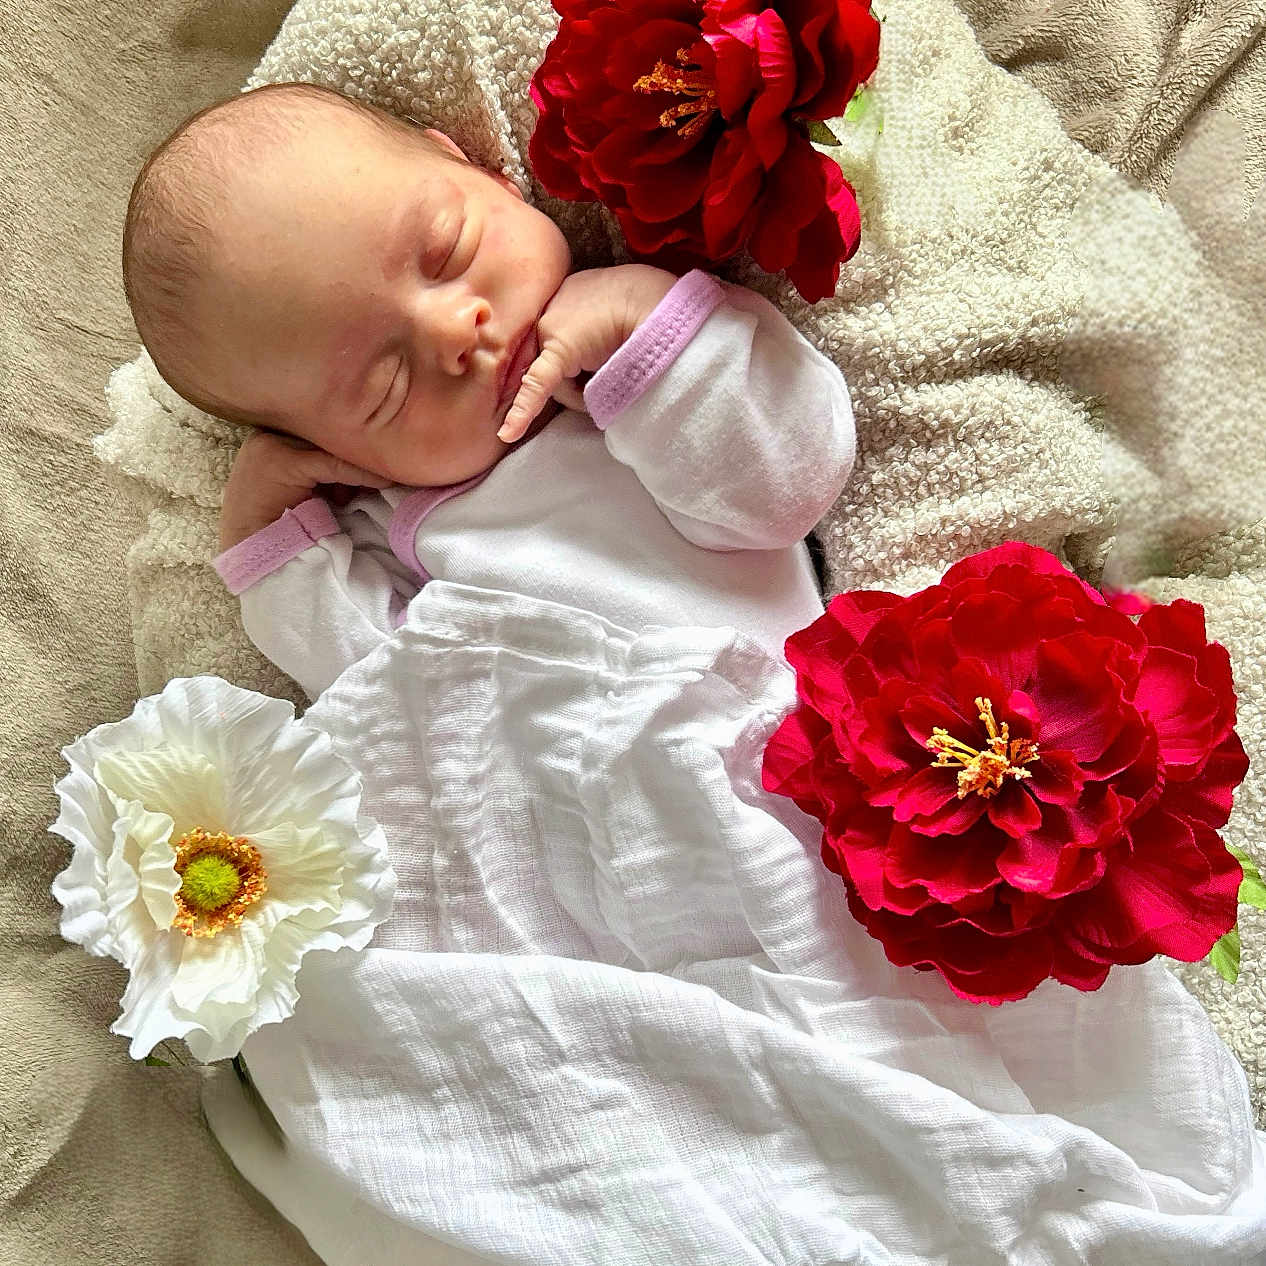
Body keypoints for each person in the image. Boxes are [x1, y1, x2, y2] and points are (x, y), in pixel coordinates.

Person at [122, 79, 856, 700]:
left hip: (779, 768)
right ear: (329, 449)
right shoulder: (402, 528)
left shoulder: (659, 354)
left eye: (448, 251)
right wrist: (268, 542)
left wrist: (651, 332)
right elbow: (373, 699)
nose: (453, 333)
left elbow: (790, 487)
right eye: (387, 386)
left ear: (483, 172)